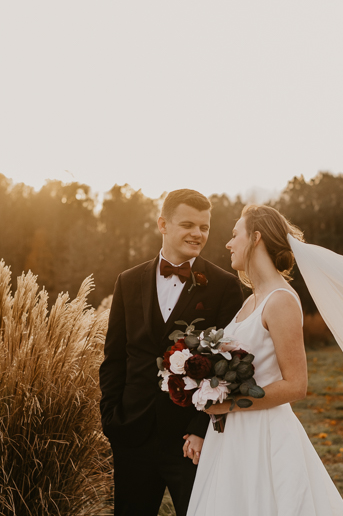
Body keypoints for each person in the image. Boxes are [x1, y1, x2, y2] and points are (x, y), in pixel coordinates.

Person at [187, 204, 343, 515]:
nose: (228, 243)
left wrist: (230, 402)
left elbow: (296, 385)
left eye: (235, 234)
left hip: (264, 435)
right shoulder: (251, 300)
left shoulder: (281, 301)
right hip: (232, 435)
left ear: (256, 238)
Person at [99, 189, 244, 516]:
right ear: (163, 224)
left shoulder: (223, 286)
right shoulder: (128, 281)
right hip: (131, 432)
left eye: (204, 227)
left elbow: (225, 365)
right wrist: (111, 417)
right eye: (188, 224)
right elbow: (114, 358)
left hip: (189, 440)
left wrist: (200, 427)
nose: (197, 234)